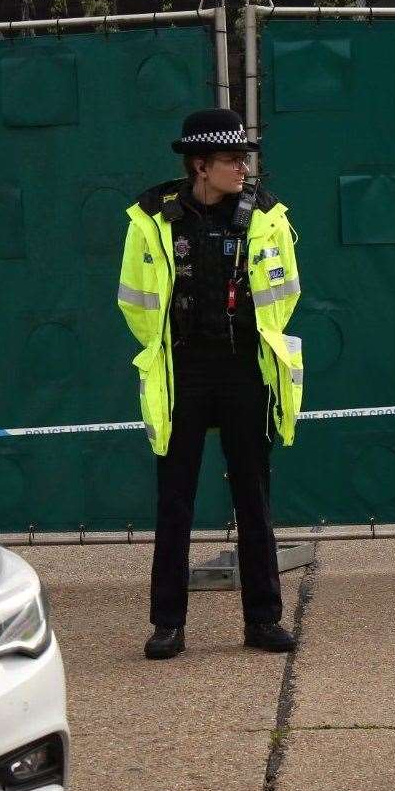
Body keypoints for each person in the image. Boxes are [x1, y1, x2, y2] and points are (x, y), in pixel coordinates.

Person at [116, 108, 306, 660]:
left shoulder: (267, 216)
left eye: (245, 158)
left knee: (255, 497)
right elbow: (133, 299)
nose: (243, 168)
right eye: (232, 159)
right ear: (200, 164)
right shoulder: (152, 220)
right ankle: (167, 625)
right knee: (175, 500)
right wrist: (168, 348)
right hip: (183, 372)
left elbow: (286, 290)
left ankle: (264, 620)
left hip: (247, 369)